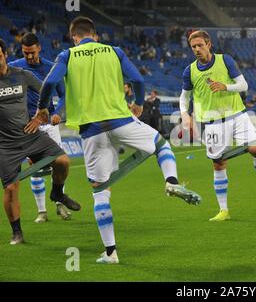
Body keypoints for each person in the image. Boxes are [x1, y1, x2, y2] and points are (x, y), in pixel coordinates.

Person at [36, 16, 201, 264]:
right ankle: (170, 181)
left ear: (74, 37)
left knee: (100, 192)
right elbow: (138, 80)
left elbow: (49, 82)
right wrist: (137, 102)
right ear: (96, 35)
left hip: (92, 130)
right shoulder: (115, 51)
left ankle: (111, 252)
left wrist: (42, 109)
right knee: (160, 144)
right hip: (121, 120)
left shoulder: (67, 56)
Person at [179, 30, 256, 222]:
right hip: (211, 123)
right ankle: (224, 210)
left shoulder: (226, 60)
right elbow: (184, 97)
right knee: (218, 163)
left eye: (200, 45)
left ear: (208, 44)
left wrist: (226, 87)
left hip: (237, 116)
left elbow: (244, 85)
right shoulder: (189, 71)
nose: (197, 49)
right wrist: (184, 115)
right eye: (193, 47)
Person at [0, 38, 80, 245]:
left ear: (5, 55)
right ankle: (17, 232)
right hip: (4, 144)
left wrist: (41, 114)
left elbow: (46, 90)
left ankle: (56, 192)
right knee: (10, 189)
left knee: (62, 161)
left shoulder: (22, 75)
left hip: (30, 133)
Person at [9, 33, 72, 222]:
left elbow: (64, 95)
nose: (29, 56)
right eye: (25, 53)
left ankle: (60, 204)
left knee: (59, 166)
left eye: (32, 52)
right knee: (35, 168)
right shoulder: (15, 67)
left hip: (49, 125)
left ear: (39, 48)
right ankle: (42, 211)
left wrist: (57, 113)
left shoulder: (51, 68)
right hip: (27, 127)